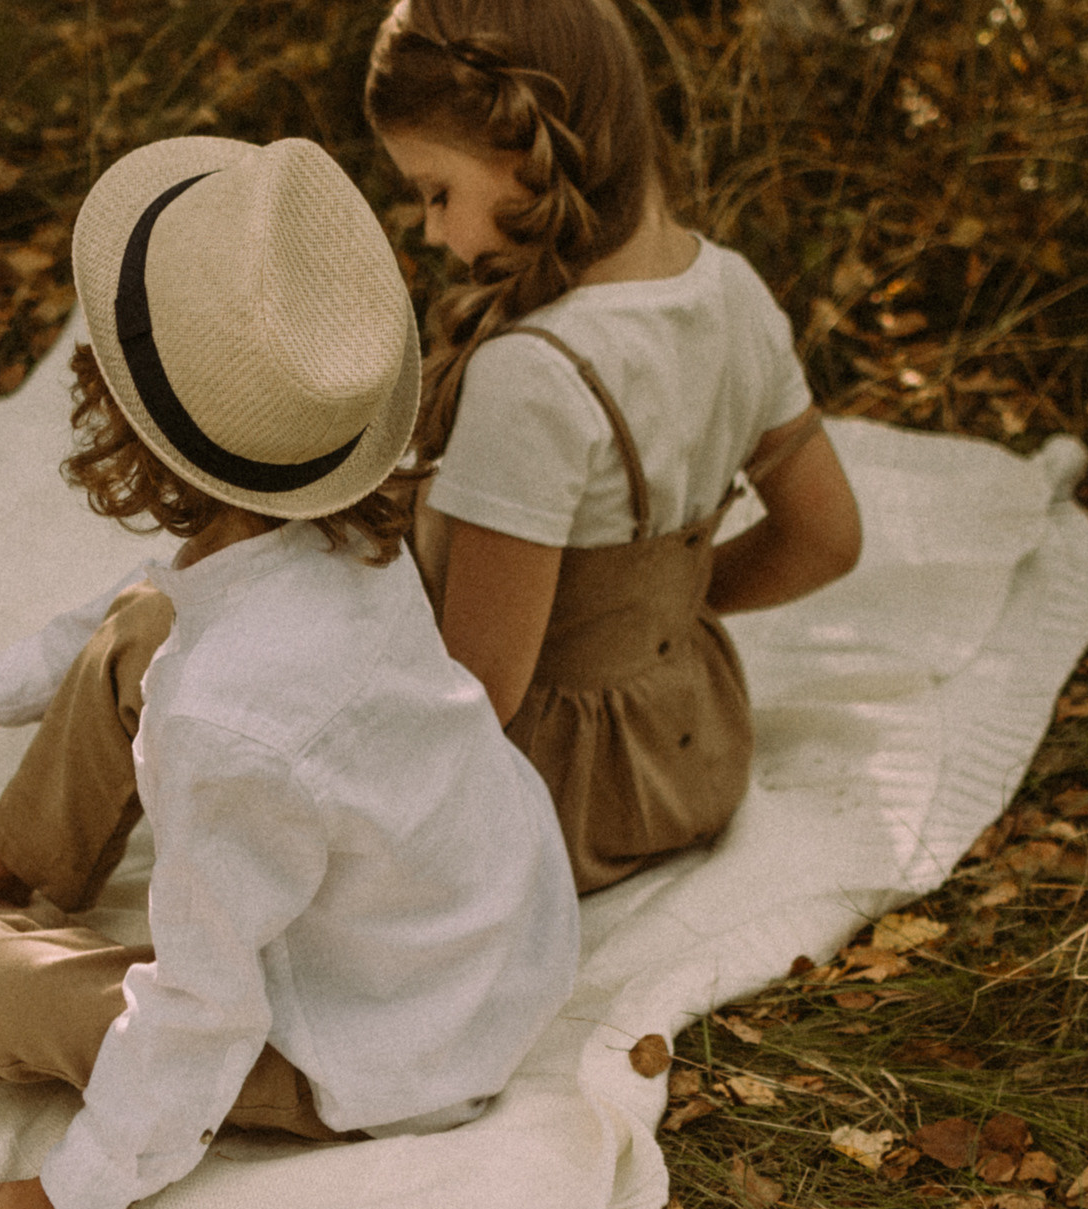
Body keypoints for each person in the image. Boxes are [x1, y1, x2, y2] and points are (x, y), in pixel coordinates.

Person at [0, 136, 580, 1209]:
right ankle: (12, 852)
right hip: (463, 908)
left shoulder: (232, 725)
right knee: (141, 624)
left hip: (388, 1039)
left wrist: (71, 1194)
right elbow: (154, 608)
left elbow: (207, 1009)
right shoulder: (324, 525)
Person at [367, 0, 864, 892]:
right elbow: (827, 538)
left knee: (172, 645)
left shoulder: (532, 374)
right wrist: (651, 620)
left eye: (437, 193)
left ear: (527, 155)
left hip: (555, 804)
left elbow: (479, 690)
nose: (432, 231)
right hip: (695, 755)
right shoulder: (735, 293)